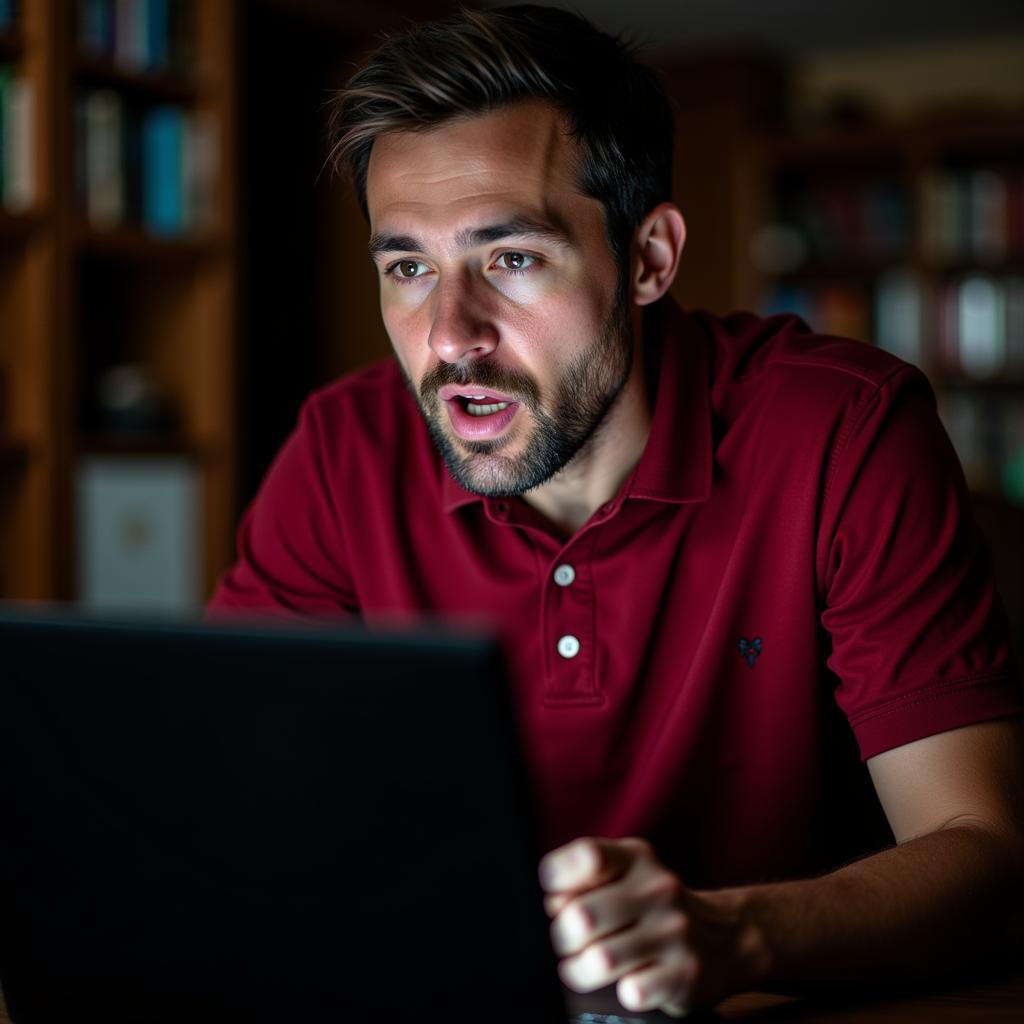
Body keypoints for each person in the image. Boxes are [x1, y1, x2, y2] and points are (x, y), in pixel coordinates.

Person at [208, 4, 1024, 1015]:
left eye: (510, 258)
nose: (450, 336)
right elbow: (229, 813)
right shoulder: (342, 449)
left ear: (648, 257)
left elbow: (983, 852)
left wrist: (735, 935)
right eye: (408, 266)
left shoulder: (842, 428)